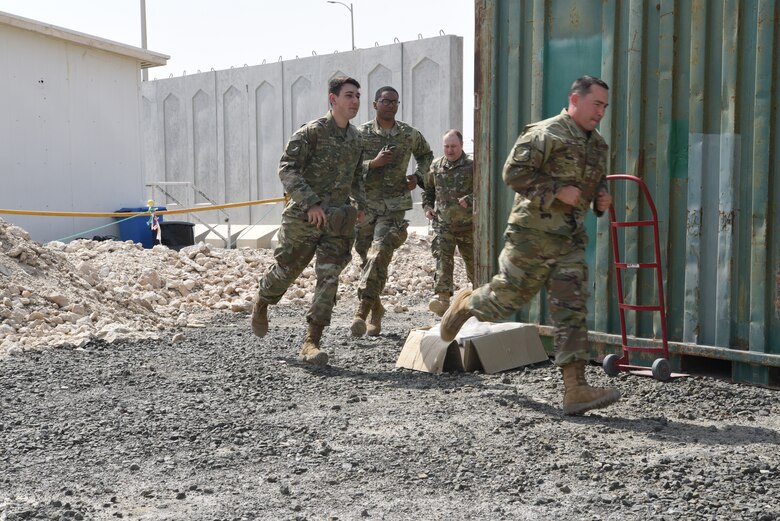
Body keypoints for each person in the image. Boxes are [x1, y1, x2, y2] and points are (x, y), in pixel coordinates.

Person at [440, 75, 620, 415]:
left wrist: (601, 197)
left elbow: (594, 182)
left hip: (568, 239)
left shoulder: (598, 145)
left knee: (572, 307)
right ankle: (466, 305)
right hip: (531, 235)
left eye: (605, 107)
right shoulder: (545, 134)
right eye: (596, 104)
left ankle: (575, 389)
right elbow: (513, 173)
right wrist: (556, 191)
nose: (601, 112)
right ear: (575, 99)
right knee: (506, 299)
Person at [251, 76, 365, 366]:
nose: (355, 101)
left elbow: (356, 178)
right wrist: (310, 202)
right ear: (333, 99)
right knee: (287, 270)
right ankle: (263, 300)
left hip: (337, 221)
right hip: (304, 218)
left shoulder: (356, 139)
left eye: (357, 96)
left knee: (330, 277)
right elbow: (286, 168)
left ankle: (312, 341)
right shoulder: (311, 133)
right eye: (349, 95)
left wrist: (360, 205)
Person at [350, 86, 433, 337]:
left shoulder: (408, 134)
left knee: (378, 253)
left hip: (394, 207)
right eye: (385, 101)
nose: (390, 106)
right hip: (366, 206)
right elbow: (348, 166)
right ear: (375, 104)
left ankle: (362, 312)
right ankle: (378, 309)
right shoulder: (360, 134)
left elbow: (426, 156)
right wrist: (372, 164)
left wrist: (417, 177)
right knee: (367, 258)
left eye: (395, 102)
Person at [423, 129, 476, 316]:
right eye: (446, 146)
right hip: (444, 224)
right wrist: (427, 207)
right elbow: (428, 190)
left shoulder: (472, 166)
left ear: (461, 146)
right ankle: (442, 299)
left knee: (473, 262)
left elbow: (484, 189)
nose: (450, 150)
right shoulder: (436, 166)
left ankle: (478, 296)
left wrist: (470, 199)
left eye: (453, 146)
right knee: (443, 259)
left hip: (468, 226)